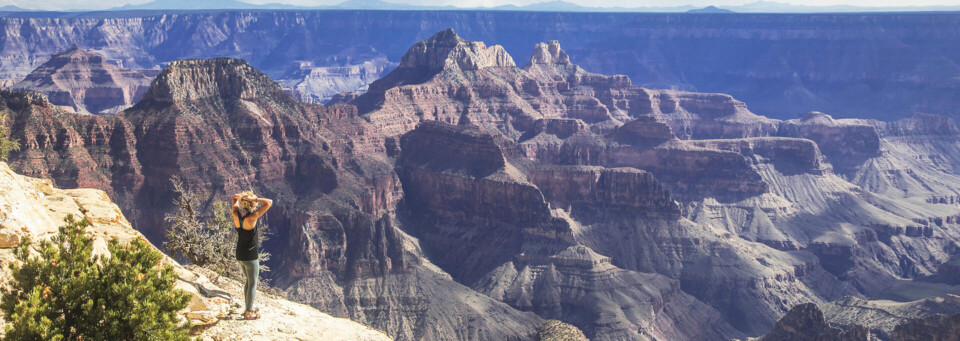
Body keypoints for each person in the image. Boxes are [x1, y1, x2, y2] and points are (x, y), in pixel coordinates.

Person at [231, 191, 272, 320]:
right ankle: (248, 312)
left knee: (248, 282)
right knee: (252, 283)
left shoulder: (236, 214)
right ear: (252, 204)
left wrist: (243, 198)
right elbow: (269, 202)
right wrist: (255, 199)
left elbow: (234, 198)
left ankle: (249, 306)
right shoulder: (252, 217)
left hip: (240, 254)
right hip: (250, 256)